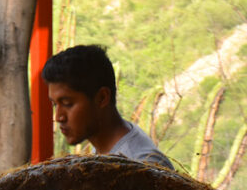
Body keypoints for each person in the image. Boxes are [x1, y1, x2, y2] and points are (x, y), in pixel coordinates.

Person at [42, 44, 174, 170]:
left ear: (102, 98)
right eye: (55, 104)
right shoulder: (104, 151)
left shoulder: (142, 166)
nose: (59, 117)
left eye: (67, 104)